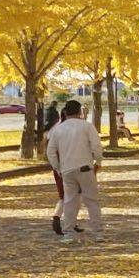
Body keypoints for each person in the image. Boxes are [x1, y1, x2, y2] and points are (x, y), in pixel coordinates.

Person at [44, 100, 105, 243]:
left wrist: (57, 167)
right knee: (92, 201)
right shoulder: (87, 127)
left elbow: (50, 151)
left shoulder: (58, 129)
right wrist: (98, 161)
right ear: (80, 112)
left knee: (70, 202)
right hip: (85, 167)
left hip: (67, 169)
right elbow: (96, 146)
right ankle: (97, 233)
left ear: (65, 112)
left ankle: (69, 233)